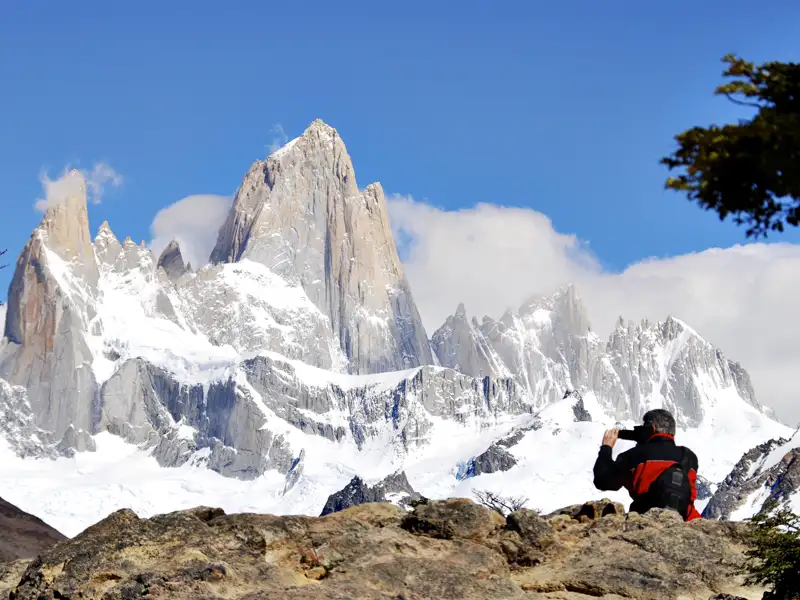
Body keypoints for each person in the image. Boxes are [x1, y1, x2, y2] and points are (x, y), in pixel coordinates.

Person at [593, 408, 702, 521]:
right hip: (687, 522)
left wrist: (606, 447)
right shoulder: (689, 457)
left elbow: (602, 481)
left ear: (651, 429)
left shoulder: (633, 456)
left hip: (645, 521)